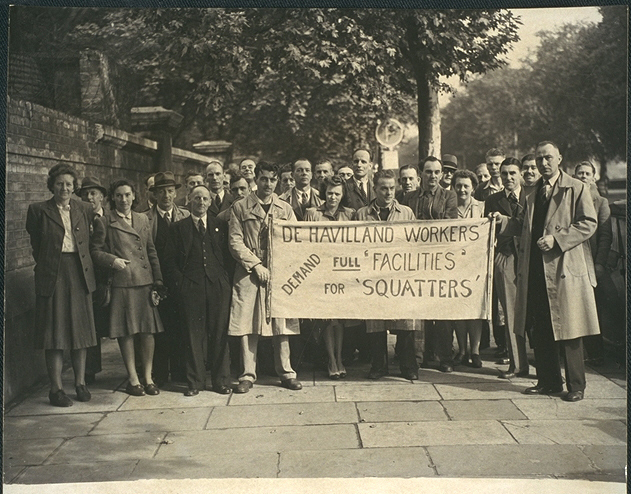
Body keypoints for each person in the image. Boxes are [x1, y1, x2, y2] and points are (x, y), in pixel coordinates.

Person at [497, 141, 599, 402]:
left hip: (564, 269)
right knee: (541, 326)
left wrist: (558, 239)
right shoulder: (533, 192)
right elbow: (524, 225)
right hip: (536, 270)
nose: (543, 163)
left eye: (548, 158)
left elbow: (588, 223)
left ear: (559, 159)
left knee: (570, 327)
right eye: (540, 158)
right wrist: (504, 222)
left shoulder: (576, 188)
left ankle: (576, 385)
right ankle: (549, 381)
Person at [26, 164, 98, 407]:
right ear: (51, 186)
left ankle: (80, 384)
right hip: (53, 274)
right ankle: (55, 389)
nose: (64, 188)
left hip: (79, 273)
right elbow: (37, 244)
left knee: (81, 333)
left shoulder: (85, 208)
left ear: (74, 186)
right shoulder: (38, 210)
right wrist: (49, 264)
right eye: (59, 184)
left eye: (69, 184)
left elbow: (96, 238)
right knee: (54, 335)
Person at [228, 161, 302, 393]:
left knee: (281, 323)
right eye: (263, 179)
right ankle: (248, 374)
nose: (268, 184)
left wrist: (280, 264)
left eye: (272, 179)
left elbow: (295, 238)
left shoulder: (285, 208)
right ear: (255, 180)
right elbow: (234, 241)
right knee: (247, 323)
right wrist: (256, 264)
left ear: (277, 181)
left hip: (278, 272)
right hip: (249, 272)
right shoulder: (240, 207)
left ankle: (287, 373)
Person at [91, 179, 165, 397]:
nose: (124, 200)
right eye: (119, 195)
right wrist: (112, 260)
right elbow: (95, 251)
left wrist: (158, 280)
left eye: (127, 195)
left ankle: (149, 377)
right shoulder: (105, 221)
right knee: (127, 332)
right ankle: (133, 379)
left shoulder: (143, 218)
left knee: (148, 332)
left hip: (145, 282)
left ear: (134, 196)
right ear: (112, 198)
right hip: (123, 283)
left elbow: (151, 251)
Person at [163, 185, 234, 396]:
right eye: (196, 199)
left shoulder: (220, 225)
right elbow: (169, 261)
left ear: (210, 202)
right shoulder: (178, 228)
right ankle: (195, 382)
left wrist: (224, 281)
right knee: (193, 335)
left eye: (204, 199)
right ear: (189, 201)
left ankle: (221, 381)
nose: (201, 202)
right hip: (191, 287)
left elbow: (228, 257)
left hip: (218, 285)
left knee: (220, 332)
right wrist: (182, 284)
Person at [354, 169, 418, 380]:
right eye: (383, 188)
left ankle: (408, 367)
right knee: (375, 324)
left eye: (392, 188)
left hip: (399, 277)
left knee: (405, 323)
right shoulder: (362, 214)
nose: (388, 192)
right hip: (373, 276)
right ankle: (378, 366)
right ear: (375, 189)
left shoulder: (406, 213)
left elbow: (414, 242)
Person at [401, 156, 458, 372]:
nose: (432, 176)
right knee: (418, 309)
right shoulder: (409, 197)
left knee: (441, 311)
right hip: (415, 261)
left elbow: (449, 225)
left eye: (436, 172)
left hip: (440, 260)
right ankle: (420, 355)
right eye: (428, 172)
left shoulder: (449, 196)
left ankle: (445, 357)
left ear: (441, 174)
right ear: (421, 174)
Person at [304, 176, 355, 379]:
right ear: (324, 193)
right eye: (329, 193)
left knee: (338, 320)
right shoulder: (312, 214)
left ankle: (340, 357)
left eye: (337, 193)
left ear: (342, 195)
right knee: (326, 319)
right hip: (321, 271)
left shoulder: (350, 215)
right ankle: (331, 360)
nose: (333, 197)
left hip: (342, 272)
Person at [484, 158, 530, 379]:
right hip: (506, 257)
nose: (508, 178)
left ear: (520, 174)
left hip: (531, 258)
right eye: (504, 174)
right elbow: (487, 233)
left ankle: (546, 365)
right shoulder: (492, 200)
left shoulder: (531, 196)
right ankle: (517, 364)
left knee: (537, 313)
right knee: (510, 313)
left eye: (513, 173)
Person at [144, 171, 190, 385]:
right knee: (159, 328)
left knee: (180, 326)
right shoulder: (146, 219)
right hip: (156, 281)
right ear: (154, 194)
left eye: (170, 191)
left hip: (180, 280)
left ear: (176, 194)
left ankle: (180, 372)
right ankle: (160, 374)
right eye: (161, 192)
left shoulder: (185, 216)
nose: (166, 196)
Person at [574, 161, 612, 366]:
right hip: (573, 260)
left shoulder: (601, 202)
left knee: (594, 307)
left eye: (587, 173)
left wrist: (599, 264)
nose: (583, 177)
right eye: (580, 173)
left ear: (594, 177)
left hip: (592, 261)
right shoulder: (570, 198)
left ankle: (596, 353)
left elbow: (605, 237)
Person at [76, 176, 109, 385]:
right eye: (86, 194)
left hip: (111, 277)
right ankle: (89, 371)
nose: (90, 197)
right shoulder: (79, 220)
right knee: (91, 325)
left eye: (94, 193)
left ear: (102, 197)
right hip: (87, 279)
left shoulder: (111, 218)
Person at [451, 169, 484, 368]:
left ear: (473, 188)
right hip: (454, 265)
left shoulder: (482, 208)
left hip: (476, 264)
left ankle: (476, 351)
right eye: (458, 186)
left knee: (474, 309)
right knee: (458, 310)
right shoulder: (449, 209)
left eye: (466, 186)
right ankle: (462, 349)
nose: (462, 189)